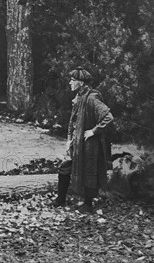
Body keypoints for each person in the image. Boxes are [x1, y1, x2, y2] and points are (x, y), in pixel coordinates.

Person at [51, 66, 114, 213]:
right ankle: (60, 199)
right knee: (64, 167)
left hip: (89, 144)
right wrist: (68, 139)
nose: (70, 83)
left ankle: (88, 204)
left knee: (89, 170)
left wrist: (93, 131)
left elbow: (108, 117)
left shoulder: (92, 98)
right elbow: (73, 121)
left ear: (81, 82)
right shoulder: (79, 97)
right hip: (76, 142)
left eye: (73, 80)